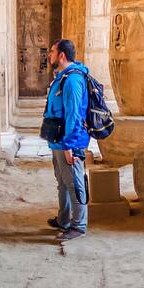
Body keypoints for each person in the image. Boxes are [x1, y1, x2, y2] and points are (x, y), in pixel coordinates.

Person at [43, 39, 91, 240]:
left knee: (74, 183)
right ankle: (64, 220)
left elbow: (74, 115)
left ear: (62, 55)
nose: (49, 55)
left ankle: (78, 225)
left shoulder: (72, 80)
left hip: (68, 142)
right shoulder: (63, 76)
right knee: (62, 181)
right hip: (58, 139)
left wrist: (69, 145)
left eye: (52, 51)